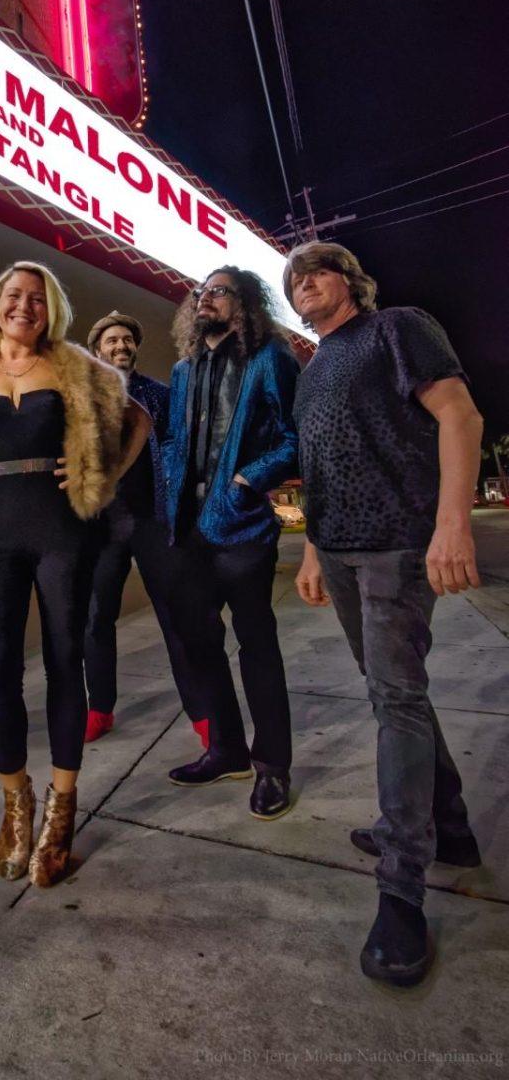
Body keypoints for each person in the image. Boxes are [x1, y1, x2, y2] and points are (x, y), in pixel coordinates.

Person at [0, 262, 150, 887]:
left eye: (36, 299)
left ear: (52, 309)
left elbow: (138, 420)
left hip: (64, 532)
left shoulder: (78, 369)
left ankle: (63, 807)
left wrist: (107, 473)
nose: (24, 306)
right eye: (13, 295)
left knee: (66, 660)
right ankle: (17, 801)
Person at [288, 241, 482, 988]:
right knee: (392, 692)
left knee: (393, 699)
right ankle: (452, 827)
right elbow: (320, 464)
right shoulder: (311, 370)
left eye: (317, 270)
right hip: (336, 550)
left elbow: (458, 416)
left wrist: (451, 522)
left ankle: (401, 886)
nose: (303, 282)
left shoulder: (395, 327)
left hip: (397, 545)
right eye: (293, 278)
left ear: (349, 281)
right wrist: (310, 548)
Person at [162, 267, 299, 820]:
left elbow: (294, 437)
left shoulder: (269, 359)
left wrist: (247, 482)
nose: (205, 298)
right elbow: (173, 439)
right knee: (198, 644)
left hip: (242, 526)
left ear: (244, 302)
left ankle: (272, 768)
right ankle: (226, 750)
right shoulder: (182, 368)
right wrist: (171, 489)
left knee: (257, 646)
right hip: (189, 528)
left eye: (218, 290)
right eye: (200, 291)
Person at [83, 312, 200, 744]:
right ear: (97, 349)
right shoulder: (83, 397)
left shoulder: (159, 395)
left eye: (127, 339)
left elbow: (179, 451)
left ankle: (202, 712)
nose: (120, 346)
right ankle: (99, 708)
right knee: (96, 619)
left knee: (176, 615)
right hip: (103, 526)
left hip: (152, 519)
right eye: (111, 340)